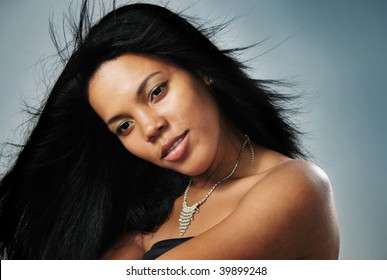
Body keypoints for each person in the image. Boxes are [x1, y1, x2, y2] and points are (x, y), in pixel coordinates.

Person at [0, 1, 339, 260]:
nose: (150, 128)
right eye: (124, 125)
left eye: (156, 92)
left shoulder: (297, 186)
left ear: (201, 69)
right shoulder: (153, 211)